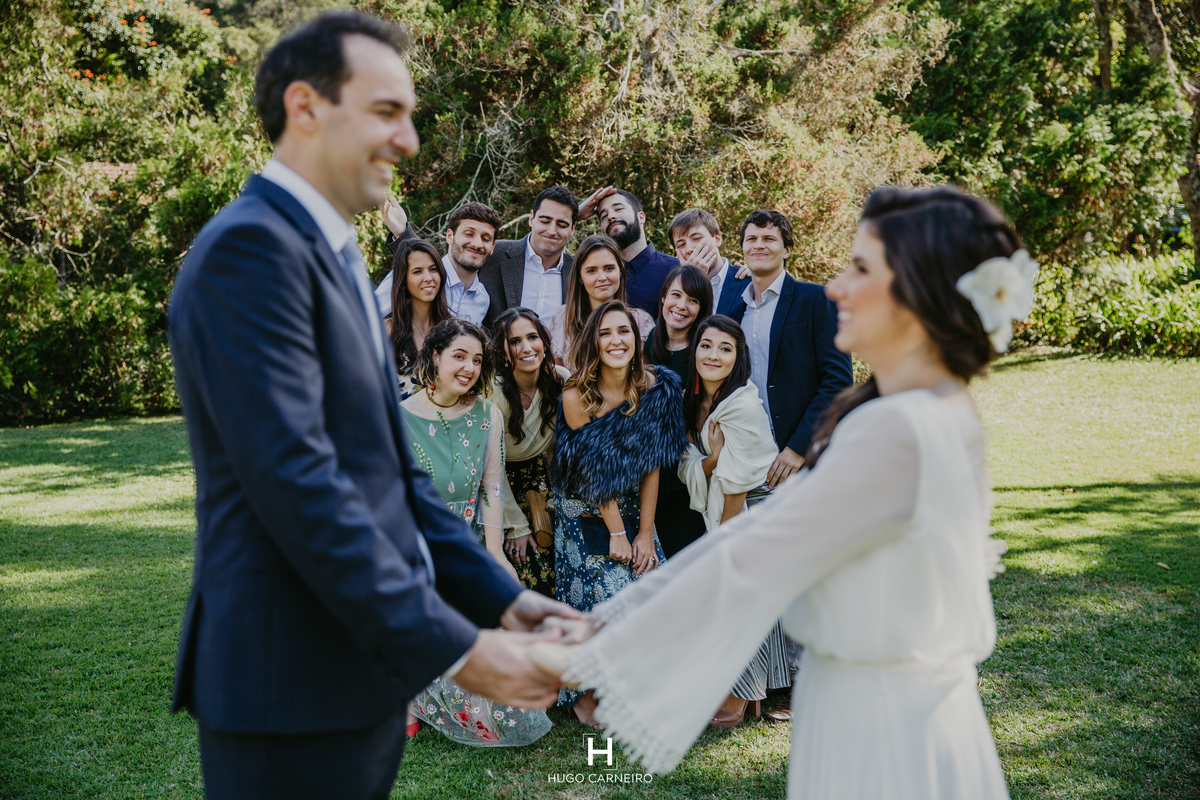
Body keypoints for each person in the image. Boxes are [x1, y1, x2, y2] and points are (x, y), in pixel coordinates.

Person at [167, 13, 577, 799]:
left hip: (355, 675)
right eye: (387, 111)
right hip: (287, 677)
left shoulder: (337, 257)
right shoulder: (250, 252)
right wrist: (460, 651)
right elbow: (298, 485)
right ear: (305, 107)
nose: (409, 140)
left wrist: (510, 602)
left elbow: (391, 473)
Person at [531, 185, 1031, 800]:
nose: (837, 287)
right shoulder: (932, 404)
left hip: (882, 728)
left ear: (916, 291)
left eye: (861, 268)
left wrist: (578, 647)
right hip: (889, 703)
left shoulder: (896, 428)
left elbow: (749, 556)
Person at [400, 319, 554, 747]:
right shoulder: (397, 417)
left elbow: (491, 487)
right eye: (459, 356)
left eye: (476, 359)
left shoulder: (487, 414)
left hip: (466, 541)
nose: (469, 367)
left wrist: (495, 553)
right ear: (435, 357)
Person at [551, 300, 683, 728]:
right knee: (606, 594)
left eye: (623, 331)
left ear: (636, 338)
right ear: (593, 341)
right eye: (605, 333)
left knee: (651, 591)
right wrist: (617, 533)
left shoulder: (654, 388)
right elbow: (593, 474)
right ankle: (585, 693)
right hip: (586, 506)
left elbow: (652, 467)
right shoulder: (576, 396)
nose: (615, 341)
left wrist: (644, 533)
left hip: (633, 507)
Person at [676, 315, 787, 726]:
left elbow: (739, 481)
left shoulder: (743, 404)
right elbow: (687, 465)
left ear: (738, 357)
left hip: (754, 509)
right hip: (725, 506)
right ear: (695, 350)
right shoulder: (692, 401)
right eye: (707, 345)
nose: (714, 355)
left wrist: (724, 539)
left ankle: (741, 692)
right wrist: (713, 459)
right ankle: (738, 684)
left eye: (725, 349)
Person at [729, 209, 854, 490]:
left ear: (786, 250)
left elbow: (839, 382)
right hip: (751, 463)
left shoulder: (818, 300)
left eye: (768, 239)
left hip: (807, 460)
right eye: (751, 239)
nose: (758, 245)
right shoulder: (735, 313)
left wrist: (799, 447)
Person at [378, 186, 579, 329]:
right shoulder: (423, 278)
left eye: (562, 224)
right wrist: (403, 233)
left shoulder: (481, 299)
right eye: (545, 220)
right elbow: (424, 265)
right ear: (532, 218)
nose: (477, 244)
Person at [491, 307, 570, 596]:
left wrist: (562, 499)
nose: (526, 348)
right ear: (503, 351)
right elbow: (491, 467)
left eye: (532, 337)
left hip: (543, 478)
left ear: (544, 342)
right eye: (515, 341)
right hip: (498, 486)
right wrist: (516, 525)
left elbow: (564, 448)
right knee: (527, 568)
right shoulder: (492, 391)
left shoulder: (561, 379)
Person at [643, 264, 712, 560]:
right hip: (651, 470)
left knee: (686, 558)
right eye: (676, 295)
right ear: (663, 297)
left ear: (702, 308)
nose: (682, 306)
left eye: (692, 300)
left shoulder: (705, 350)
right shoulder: (651, 342)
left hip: (688, 474)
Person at [375, 202, 501, 325]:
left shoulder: (482, 299)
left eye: (486, 238)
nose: (477, 244)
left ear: (493, 247)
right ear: (450, 236)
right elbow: (368, 318)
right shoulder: (413, 277)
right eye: (469, 234)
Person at [547, 235, 655, 368]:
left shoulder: (640, 322)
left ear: (620, 270)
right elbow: (554, 373)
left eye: (609, 268)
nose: (602, 277)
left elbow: (645, 374)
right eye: (592, 271)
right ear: (580, 276)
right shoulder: (564, 318)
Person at [593, 189, 679, 314]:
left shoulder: (675, 268)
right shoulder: (597, 275)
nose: (610, 217)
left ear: (641, 217)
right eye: (604, 216)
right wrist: (577, 215)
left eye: (618, 209)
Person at [386, 237, 451, 400]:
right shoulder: (388, 330)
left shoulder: (452, 331)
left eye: (433, 269)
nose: (428, 277)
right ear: (403, 280)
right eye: (417, 271)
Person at [668, 208, 751, 317]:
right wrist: (691, 279)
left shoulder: (749, 282)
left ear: (717, 239)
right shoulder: (673, 288)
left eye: (696, 238)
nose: (689, 249)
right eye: (681, 245)